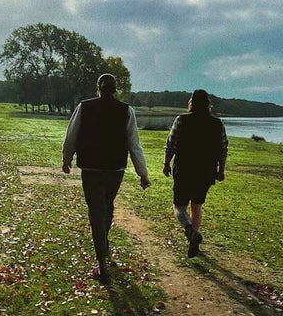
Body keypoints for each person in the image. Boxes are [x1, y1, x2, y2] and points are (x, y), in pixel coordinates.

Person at [62, 73, 151, 284]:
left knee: (96, 210)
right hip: (115, 168)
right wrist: (143, 173)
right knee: (107, 205)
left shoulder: (85, 107)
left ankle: (101, 258)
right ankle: (104, 245)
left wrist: (66, 158)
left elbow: (71, 135)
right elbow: (134, 144)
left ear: (98, 88)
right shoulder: (126, 111)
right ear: (115, 89)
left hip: (91, 167)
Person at [163, 89, 228, 257]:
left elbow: (171, 143)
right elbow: (223, 148)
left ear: (191, 103)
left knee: (179, 206)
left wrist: (166, 163)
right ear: (208, 105)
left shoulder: (182, 120)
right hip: (206, 172)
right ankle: (193, 241)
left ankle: (191, 233)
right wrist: (221, 170)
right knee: (197, 206)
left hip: (184, 170)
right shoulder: (217, 123)